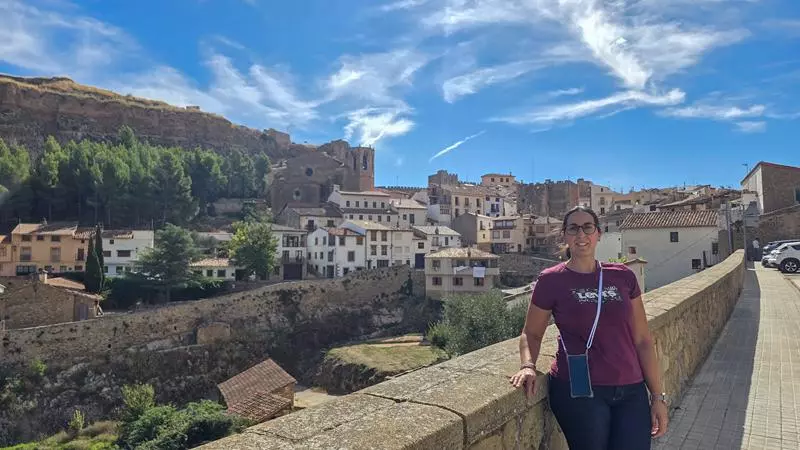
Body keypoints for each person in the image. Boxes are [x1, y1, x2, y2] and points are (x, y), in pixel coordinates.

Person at [509, 206, 668, 450]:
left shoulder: (623, 276)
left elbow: (643, 340)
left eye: (587, 227)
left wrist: (657, 397)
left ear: (598, 234)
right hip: (579, 390)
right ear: (564, 235)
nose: (581, 234)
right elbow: (531, 333)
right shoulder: (551, 280)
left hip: (631, 389)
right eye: (573, 228)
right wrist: (528, 365)